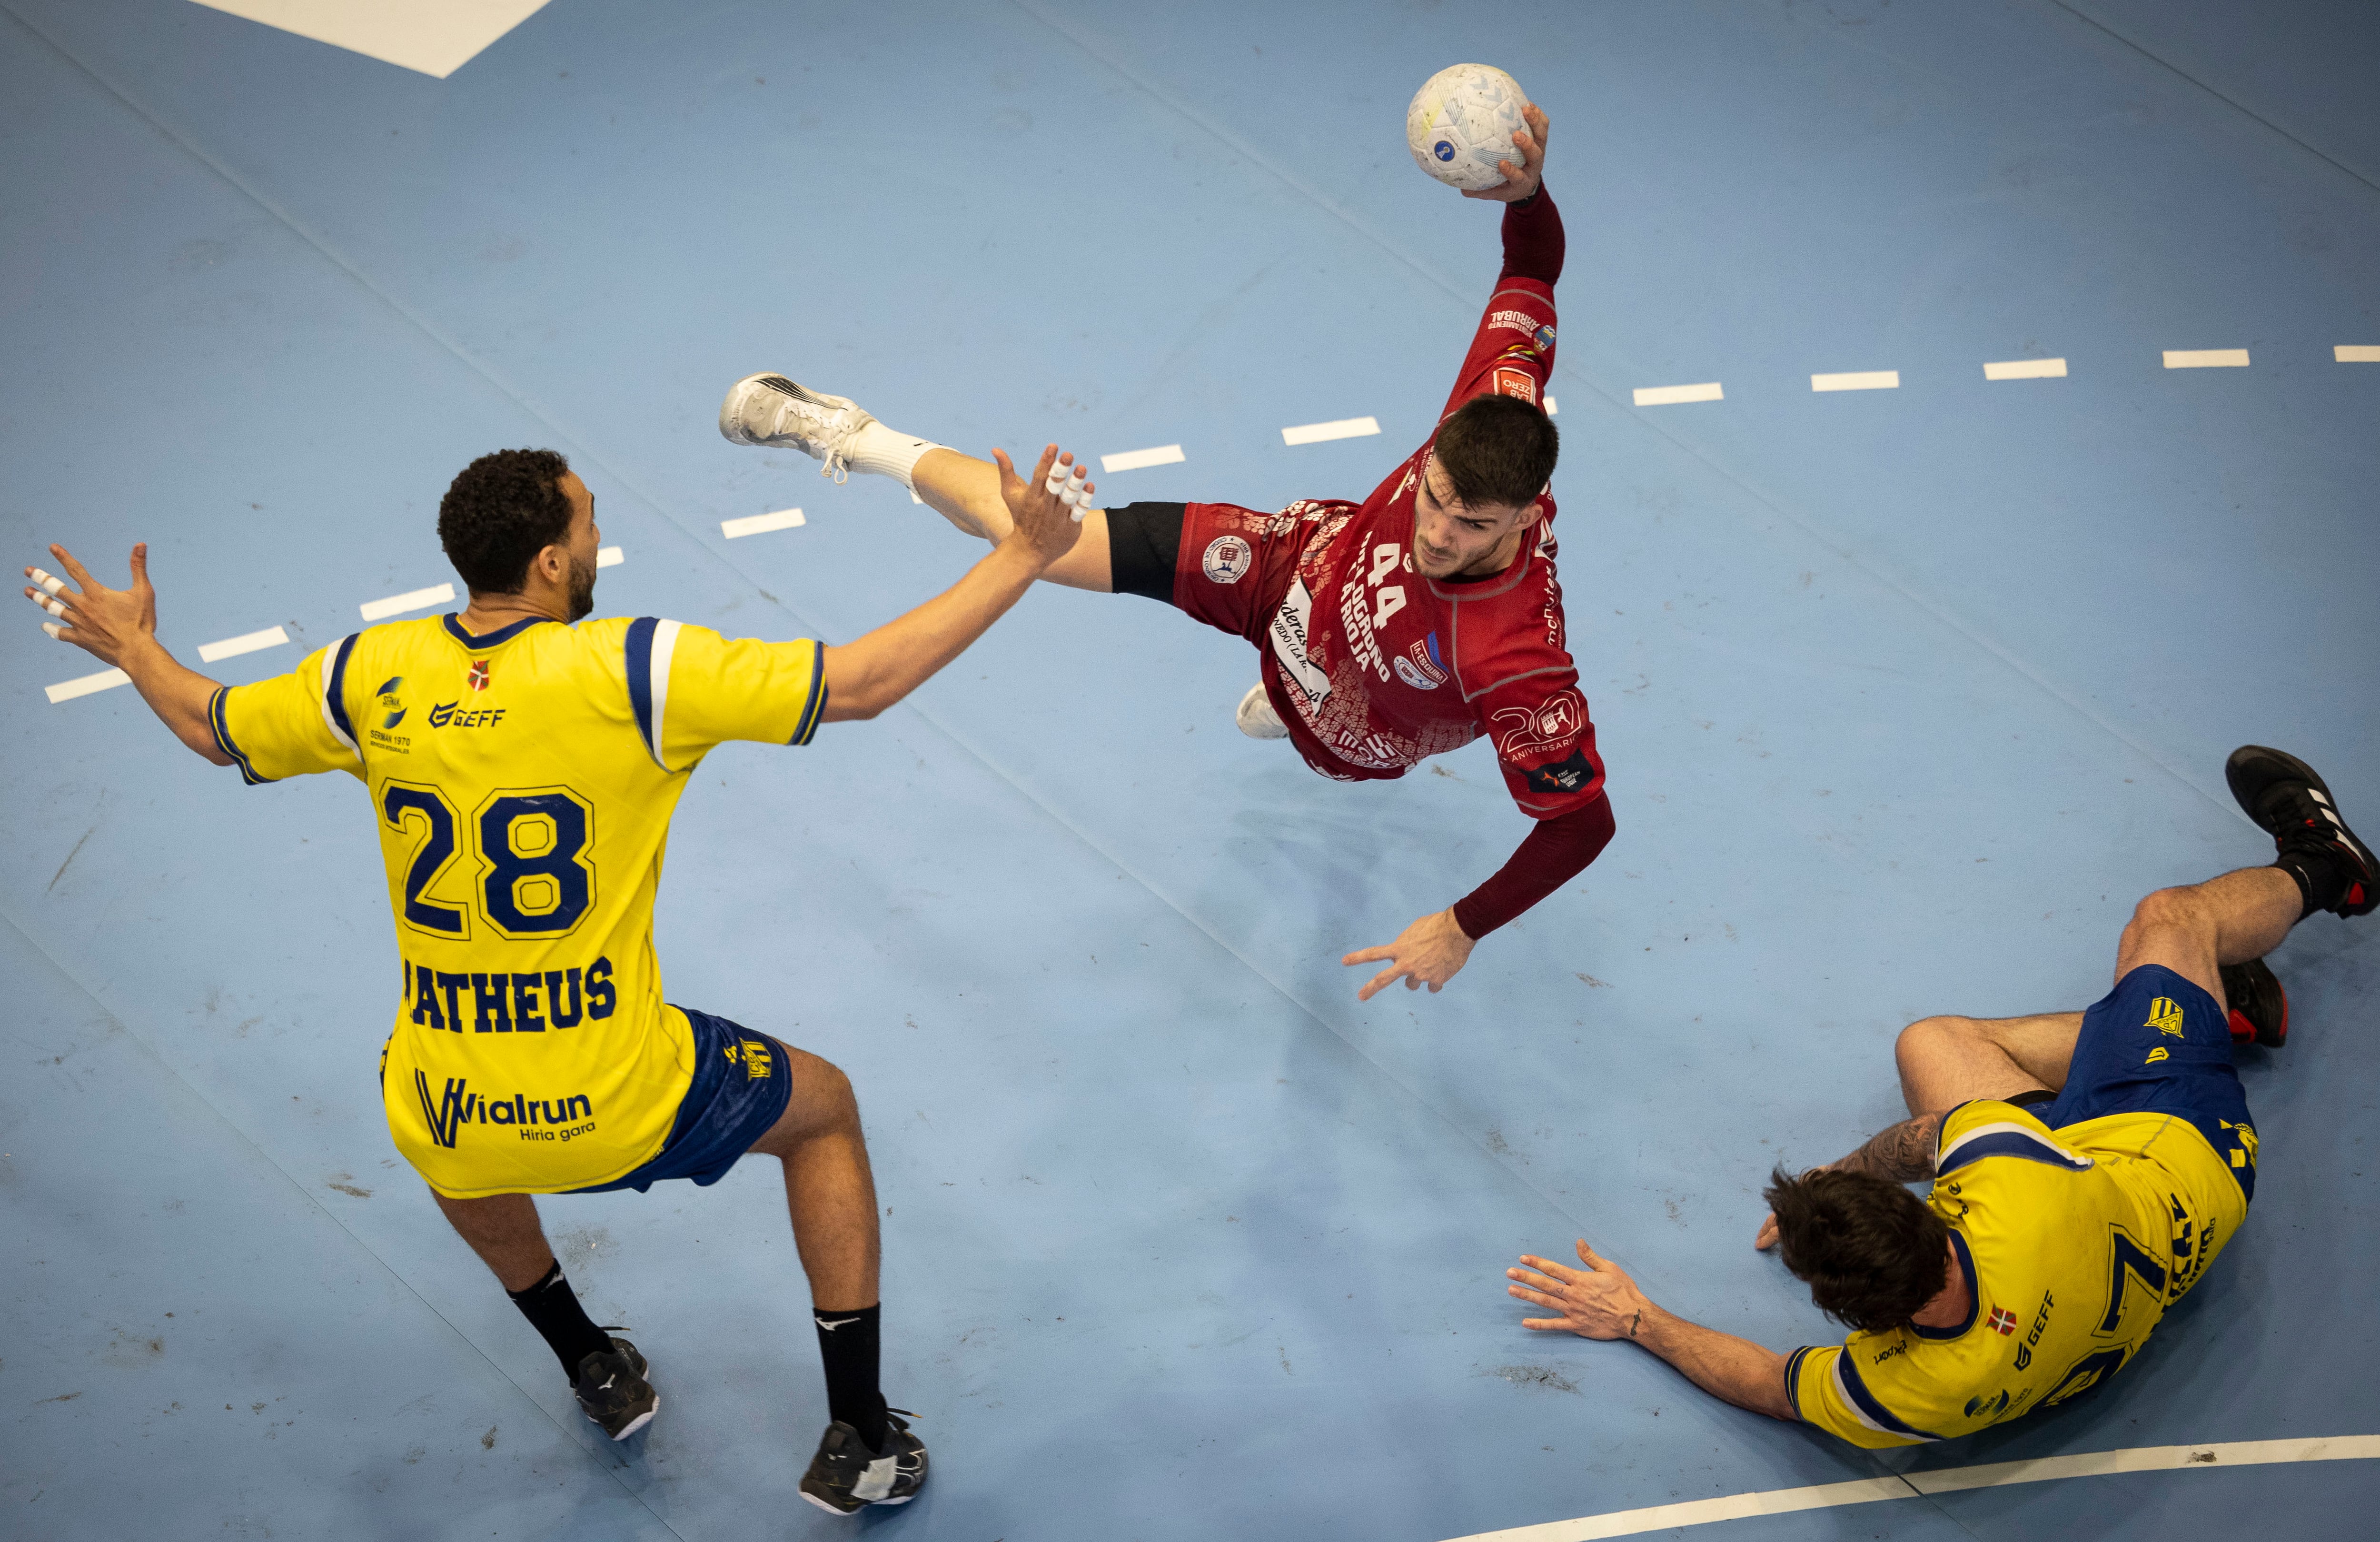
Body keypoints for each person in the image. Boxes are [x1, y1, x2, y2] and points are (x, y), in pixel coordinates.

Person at [21, 439, 1088, 1512]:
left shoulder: (368, 675)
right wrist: (1023, 554)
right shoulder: (633, 671)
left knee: (423, 1094)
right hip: (623, 1094)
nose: (597, 540)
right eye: (586, 525)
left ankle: (592, 1363)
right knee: (824, 1111)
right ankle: (858, 1437)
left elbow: (214, 728)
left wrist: (133, 647)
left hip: (460, 1108)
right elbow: (862, 683)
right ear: (546, 565)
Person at [715, 103, 1613, 1002]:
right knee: (1038, 539)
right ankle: (852, 431)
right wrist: (1528, 194)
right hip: (1293, 562)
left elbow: (1581, 824)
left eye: (1471, 527)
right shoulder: (1495, 402)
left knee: (1308, 710)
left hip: (1357, 720)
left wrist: (1462, 927)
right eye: (1436, 497)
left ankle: (1289, 686)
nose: (1437, 532)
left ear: (1526, 520)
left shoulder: (1515, 659)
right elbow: (1532, 269)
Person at [1498, 746, 2373, 1445]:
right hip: (2180, 1150)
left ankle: (2276, 942)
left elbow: (1770, 1385)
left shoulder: (1902, 1393)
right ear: (1931, 1220)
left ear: (1847, 1313)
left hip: (2108, 1239)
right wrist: (1841, 1171)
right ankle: (2307, 887)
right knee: (2168, 919)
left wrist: (1638, 1317)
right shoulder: (2007, 1179)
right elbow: (1924, 1140)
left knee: (1938, 1041)